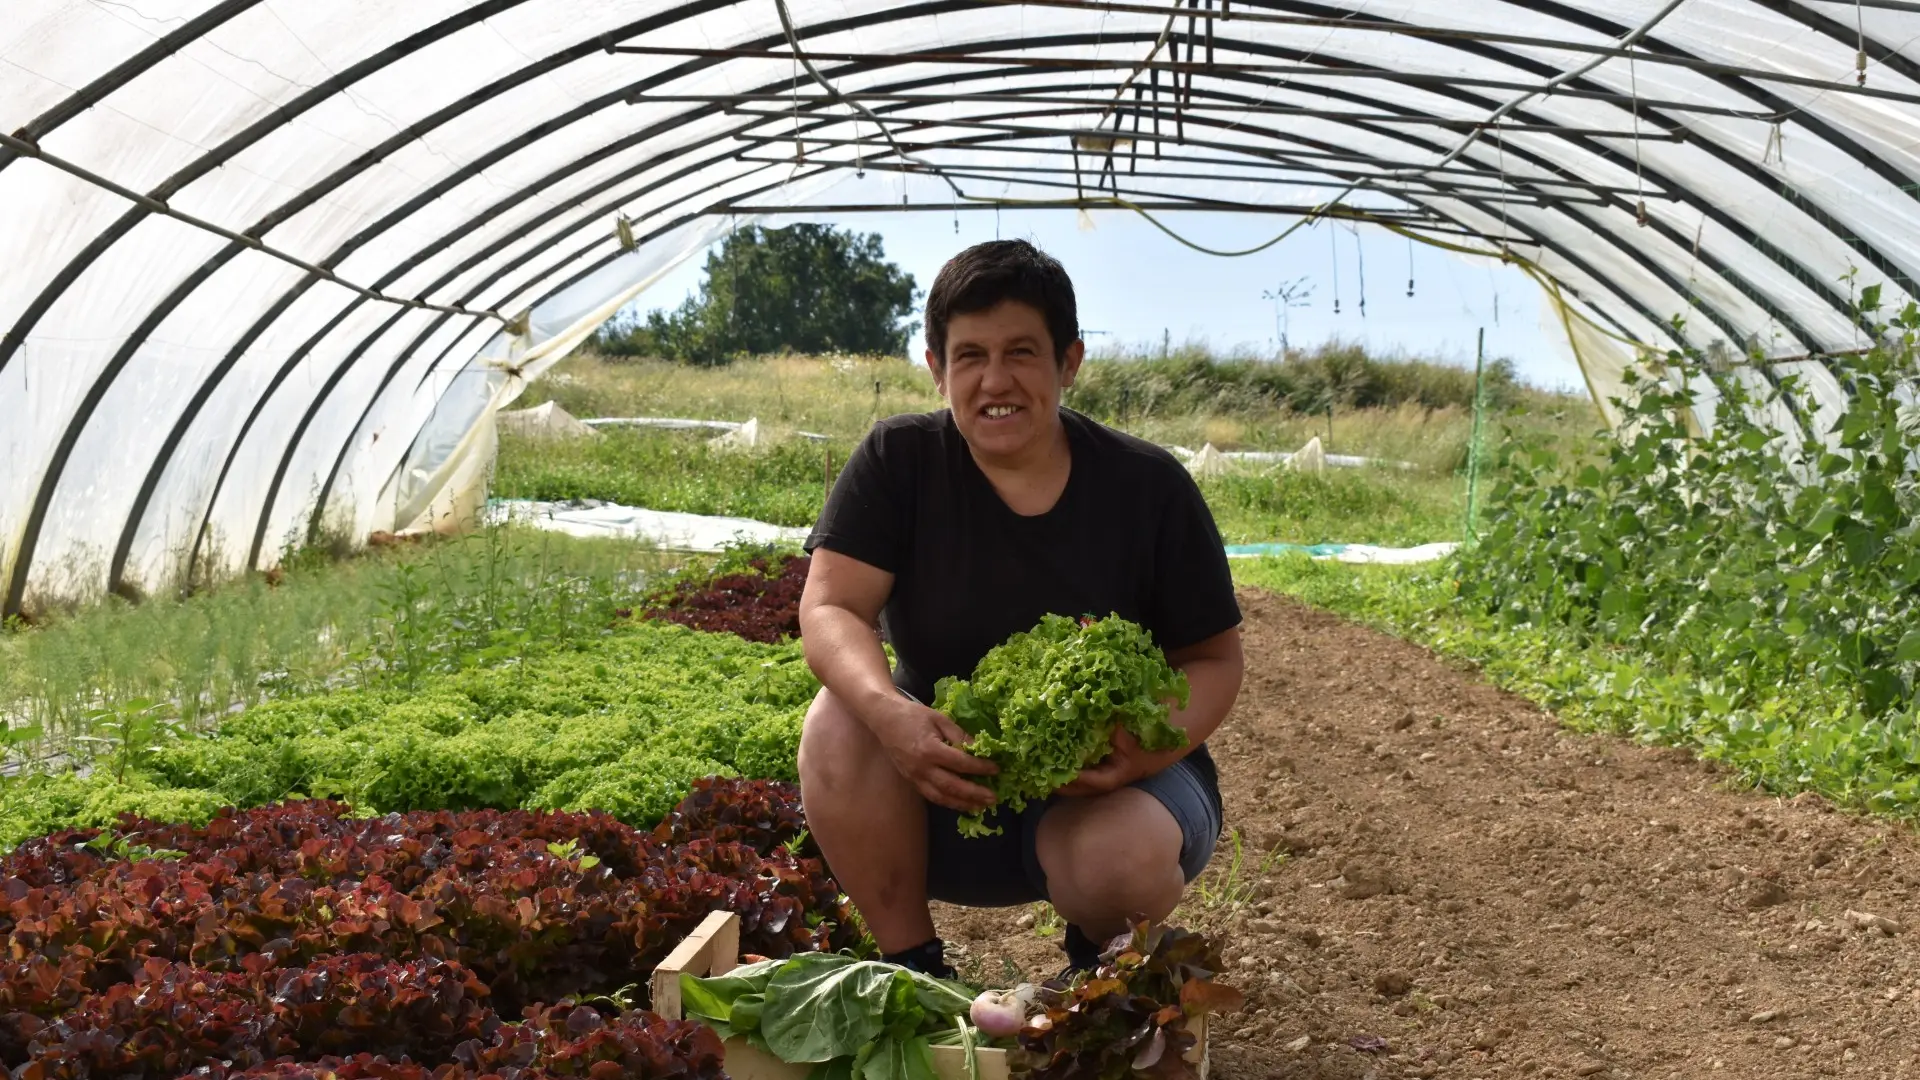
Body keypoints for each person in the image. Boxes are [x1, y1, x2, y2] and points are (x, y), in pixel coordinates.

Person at [797, 239, 1244, 979]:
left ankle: (1097, 966)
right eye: (969, 355)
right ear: (937, 368)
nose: (994, 380)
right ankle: (916, 969)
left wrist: (1138, 752)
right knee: (840, 721)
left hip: (1119, 790)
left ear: (1068, 363)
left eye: (1021, 353)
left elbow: (1215, 660)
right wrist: (891, 715)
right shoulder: (899, 462)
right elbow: (831, 607)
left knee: (1117, 859)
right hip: (947, 786)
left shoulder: (1147, 486)